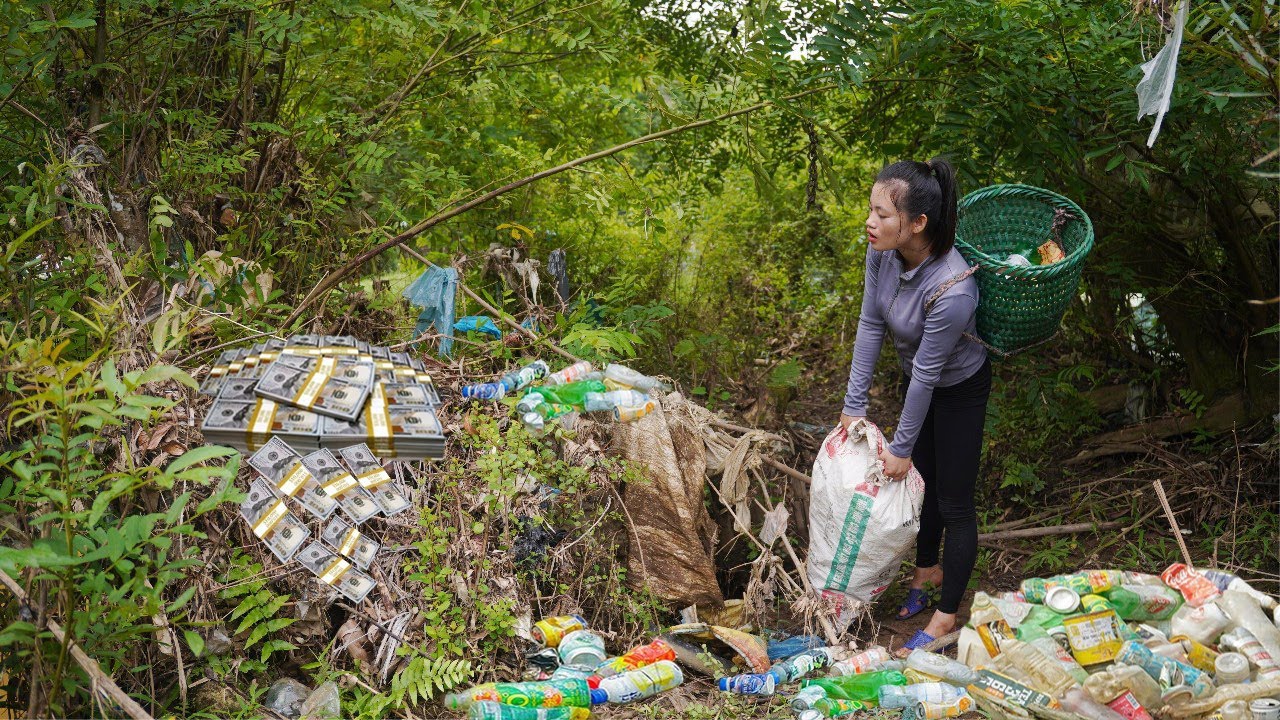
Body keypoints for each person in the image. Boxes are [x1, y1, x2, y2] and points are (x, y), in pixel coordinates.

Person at [838, 158, 992, 654]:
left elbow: (929, 373)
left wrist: (900, 445)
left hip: (960, 387)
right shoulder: (882, 254)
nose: (870, 222)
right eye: (870, 210)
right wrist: (852, 405)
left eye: (882, 215)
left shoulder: (953, 288)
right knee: (920, 485)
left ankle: (947, 615)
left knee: (953, 498)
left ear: (918, 223)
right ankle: (926, 570)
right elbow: (870, 323)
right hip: (920, 381)